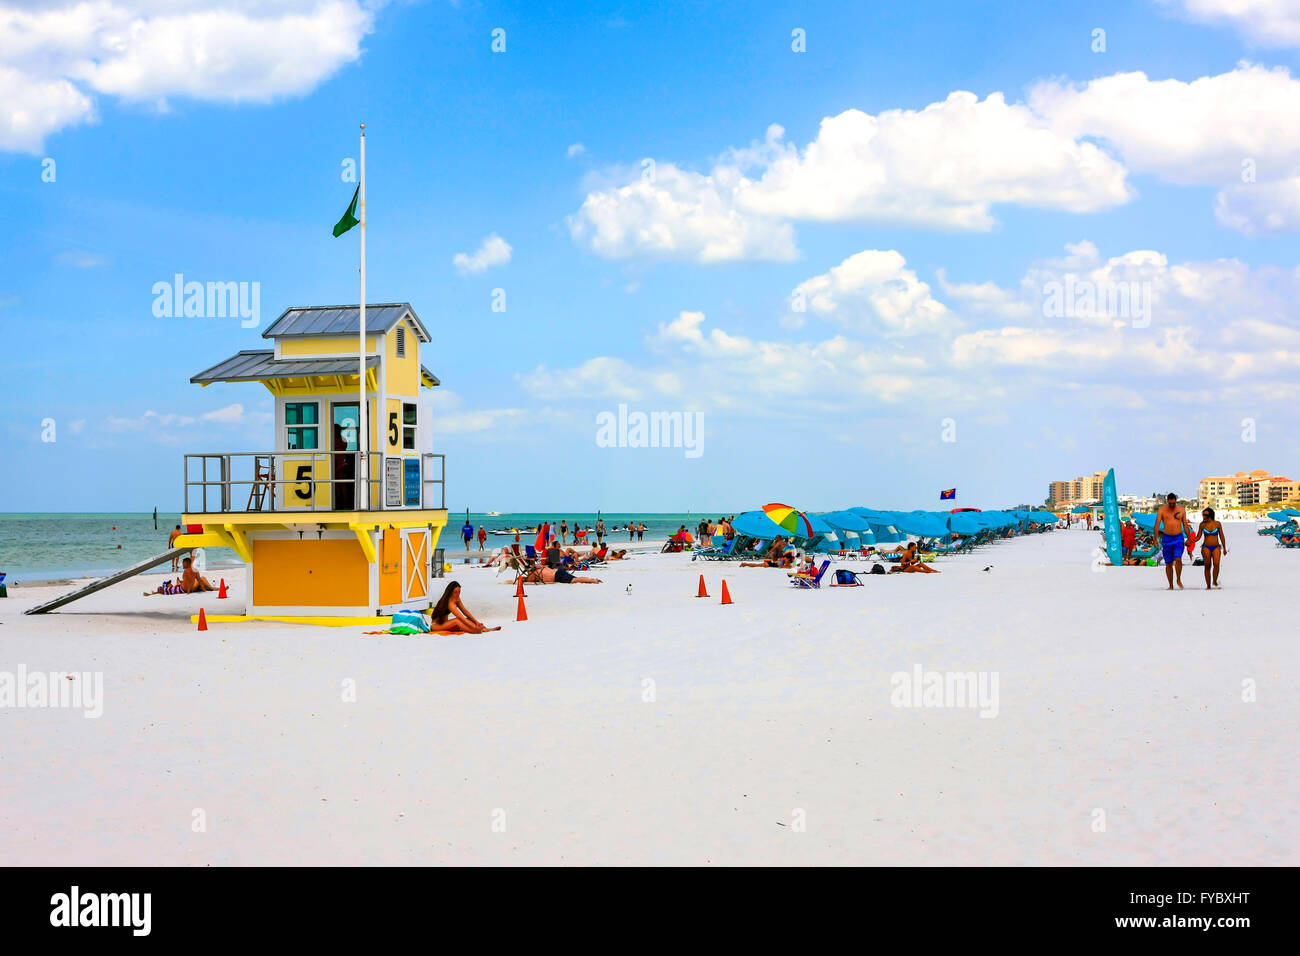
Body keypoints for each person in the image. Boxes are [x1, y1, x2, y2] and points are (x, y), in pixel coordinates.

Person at [429, 581, 500, 634]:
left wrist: (477, 622)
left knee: (468, 619)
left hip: (445, 624)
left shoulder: (456, 598)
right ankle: (476, 631)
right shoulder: (449, 602)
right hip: (436, 626)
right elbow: (460, 617)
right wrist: (474, 627)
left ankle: (484, 629)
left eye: (459, 592)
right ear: (450, 592)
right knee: (457, 620)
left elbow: (465, 612)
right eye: (455, 592)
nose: (457, 594)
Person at [1155, 492, 1191, 590]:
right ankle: (1170, 585)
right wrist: (1155, 538)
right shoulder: (1162, 510)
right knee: (1168, 563)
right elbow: (1157, 524)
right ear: (1167, 501)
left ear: (1176, 501)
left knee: (1178, 559)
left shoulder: (1181, 510)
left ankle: (1178, 579)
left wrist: (1189, 538)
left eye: (1173, 503)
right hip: (1166, 538)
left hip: (1178, 538)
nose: (1172, 505)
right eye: (1170, 503)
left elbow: (1185, 525)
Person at [1196, 507, 1227, 589]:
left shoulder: (1217, 524)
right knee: (1207, 566)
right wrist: (1190, 541)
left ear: (1210, 515)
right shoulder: (1202, 525)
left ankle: (1214, 581)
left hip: (1216, 546)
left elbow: (1222, 536)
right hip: (1206, 547)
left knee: (1216, 564)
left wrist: (1224, 548)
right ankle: (1208, 585)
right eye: (1203, 514)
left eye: (1205, 514)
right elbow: (1198, 537)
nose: (1204, 516)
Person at [525, 565, 602, 584]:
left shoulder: (535, 573)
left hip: (557, 576)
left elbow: (528, 580)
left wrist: (525, 577)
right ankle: (590, 579)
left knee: (575, 580)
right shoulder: (542, 567)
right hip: (558, 571)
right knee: (576, 579)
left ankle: (593, 580)